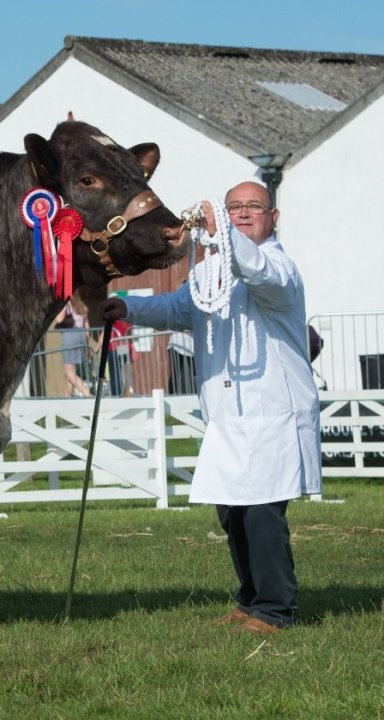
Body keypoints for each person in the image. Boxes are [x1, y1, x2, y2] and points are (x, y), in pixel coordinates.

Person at [100, 181, 321, 634]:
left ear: (273, 218)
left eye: (252, 208)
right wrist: (126, 307)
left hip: (270, 412)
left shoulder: (279, 267)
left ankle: (276, 610)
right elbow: (178, 309)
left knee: (262, 512)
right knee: (231, 511)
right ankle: (250, 599)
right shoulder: (209, 271)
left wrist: (221, 229)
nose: (242, 214)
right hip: (227, 416)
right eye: (233, 208)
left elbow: (258, 273)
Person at [53, 298, 92, 397]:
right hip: (81, 336)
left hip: (70, 335)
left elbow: (59, 319)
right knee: (72, 373)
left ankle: (87, 394)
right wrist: (87, 347)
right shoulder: (82, 306)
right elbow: (87, 328)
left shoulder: (66, 304)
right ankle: (67, 398)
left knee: (69, 372)